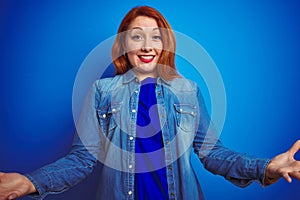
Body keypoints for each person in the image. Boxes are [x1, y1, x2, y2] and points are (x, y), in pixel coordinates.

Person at [0, 5, 299, 200]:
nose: (146, 45)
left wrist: (267, 167)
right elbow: (82, 160)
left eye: (155, 37)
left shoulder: (187, 91)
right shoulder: (102, 91)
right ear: (123, 45)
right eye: (136, 37)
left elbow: (213, 154)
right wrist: (29, 182)